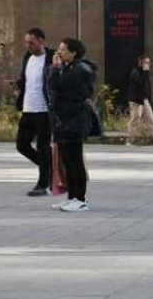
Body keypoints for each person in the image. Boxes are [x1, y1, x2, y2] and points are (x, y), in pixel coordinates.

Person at [48, 38, 97, 212]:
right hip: (64, 120)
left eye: (63, 49)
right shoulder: (69, 68)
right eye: (58, 49)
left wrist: (55, 68)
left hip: (74, 120)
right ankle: (72, 197)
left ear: (73, 52)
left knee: (75, 162)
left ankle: (81, 198)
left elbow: (55, 85)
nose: (59, 52)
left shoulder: (78, 70)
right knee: (67, 162)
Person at [14, 27, 56, 197]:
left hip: (44, 110)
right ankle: (50, 169)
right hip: (28, 108)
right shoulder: (27, 58)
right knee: (21, 145)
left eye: (31, 42)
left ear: (41, 41)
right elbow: (26, 80)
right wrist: (18, 84)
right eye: (26, 42)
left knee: (43, 147)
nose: (28, 45)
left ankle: (42, 183)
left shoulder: (51, 57)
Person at [126, 55, 153, 146]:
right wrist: (145, 72)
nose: (148, 65)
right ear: (141, 63)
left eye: (149, 63)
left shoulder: (147, 74)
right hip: (136, 100)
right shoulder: (135, 73)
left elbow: (147, 87)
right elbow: (140, 82)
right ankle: (130, 139)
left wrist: (149, 99)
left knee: (151, 119)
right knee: (135, 119)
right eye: (146, 63)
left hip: (145, 100)